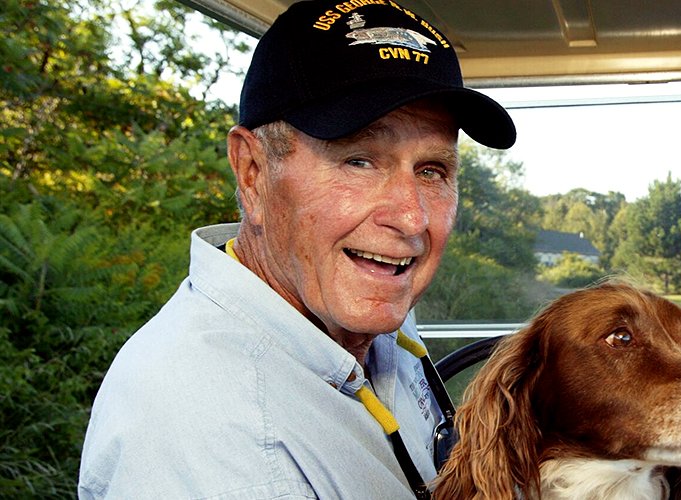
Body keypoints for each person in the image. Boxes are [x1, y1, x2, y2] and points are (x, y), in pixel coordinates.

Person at [78, 1, 515, 497]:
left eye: (432, 170)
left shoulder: (355, 296)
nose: (412, 218)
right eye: (358, 161)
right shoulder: (211, 433)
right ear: (253, 173)